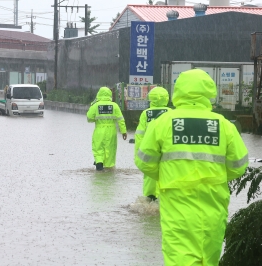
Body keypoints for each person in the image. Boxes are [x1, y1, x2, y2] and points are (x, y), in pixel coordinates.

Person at [135, 69, 248, 266]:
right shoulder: (224, 125)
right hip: (213, 206)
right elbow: (239, 165)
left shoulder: (163, 123)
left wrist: (167, 175)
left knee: (180, 258)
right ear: (209, 92)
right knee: (209, 259)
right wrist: (214, 178)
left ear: (178, 92)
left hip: (177, 207)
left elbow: (144, 160)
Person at [134, 86, 171, 201]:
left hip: (150, 148)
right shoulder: (172, 113)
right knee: (166, 173)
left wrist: (138, 154)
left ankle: (150, 197)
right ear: (166, 98)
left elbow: (139, 135)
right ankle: (163, 198)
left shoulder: (146, 113)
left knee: (150, 173)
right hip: (167, 149)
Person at [87, 87, 127, 171]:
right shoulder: (114, 105)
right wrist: (123, 131)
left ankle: (99, 165)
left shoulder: (95, 105)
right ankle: (109, 171)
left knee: (98, 148)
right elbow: (121, 120)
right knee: (110, 150)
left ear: (99, 94)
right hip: (111, 130)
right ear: (110, 94)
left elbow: (89, 118)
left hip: (99, 130)